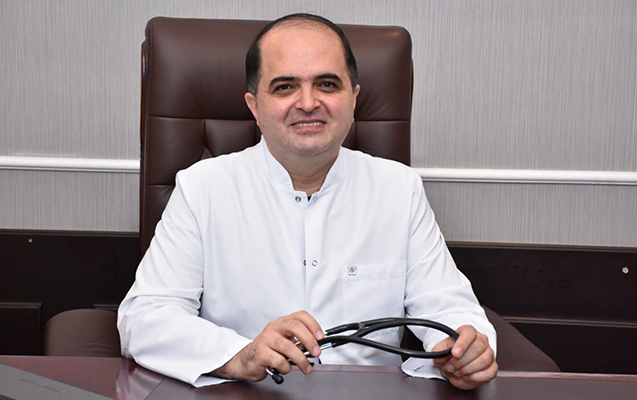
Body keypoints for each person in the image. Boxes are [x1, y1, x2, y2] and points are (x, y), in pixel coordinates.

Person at [118, 13, 498, 391]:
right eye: (284, 87)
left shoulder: (399, 189)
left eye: (327, 84)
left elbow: (450, 309)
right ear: (254, 105)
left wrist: (463, 350)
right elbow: (146, 318)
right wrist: (240, 355)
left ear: (353, 98)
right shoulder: (201, 189)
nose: (308, 102)